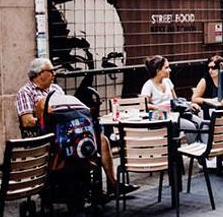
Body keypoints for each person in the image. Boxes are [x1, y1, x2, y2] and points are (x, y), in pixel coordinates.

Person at [15, 58, 137, 197]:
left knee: (101, 140)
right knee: (71, 144)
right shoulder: (25, 92)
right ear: (38, 73)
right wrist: (46, 120)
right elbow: (27, 122)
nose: (54, 74)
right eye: (51, 71)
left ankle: (112, 184)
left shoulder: (56, 89)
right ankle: (73, 188)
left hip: (65, 132)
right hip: (43, 136)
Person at [141, 55, 204, 143]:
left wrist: (190, 104)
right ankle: (195, 152)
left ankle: (203, 150)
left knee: (202, 123)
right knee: (190, 127)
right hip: (162, 118)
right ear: (158, 71)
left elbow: (176, 101)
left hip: (175, 114)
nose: (170, 70)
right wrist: (158, 107)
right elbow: (143, 105)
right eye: (166, 67)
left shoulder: (167, 81)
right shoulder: (148, 85)